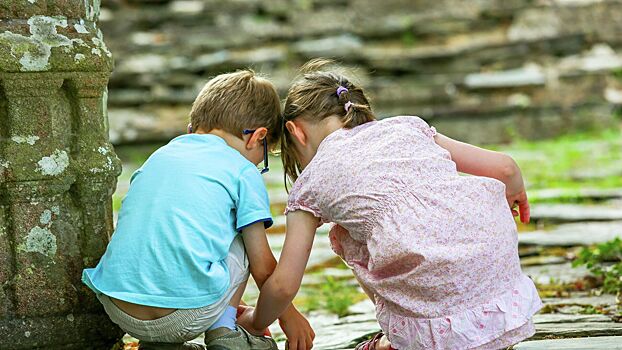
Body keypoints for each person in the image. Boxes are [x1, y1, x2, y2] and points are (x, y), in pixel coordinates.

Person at [238, 59, 543, 350]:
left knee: (347, 234)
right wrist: (514, 194)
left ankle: (402, 338)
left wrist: (255, 321)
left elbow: (283, 286)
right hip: (496, 283)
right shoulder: (407, 127)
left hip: (433, 289)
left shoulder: (311, 184)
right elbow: (506, 169)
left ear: (295, 132)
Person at [82, 69, 314, 350]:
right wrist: (288, 316)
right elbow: (263, 267)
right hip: (184, 316)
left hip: (118, 308)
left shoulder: (160, 156)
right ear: (257, 137)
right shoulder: (241, 170)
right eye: (263, 156)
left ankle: (159, 344)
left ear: (194, 127)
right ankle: (225, 332)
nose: (257, 165)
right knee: (245, 230)